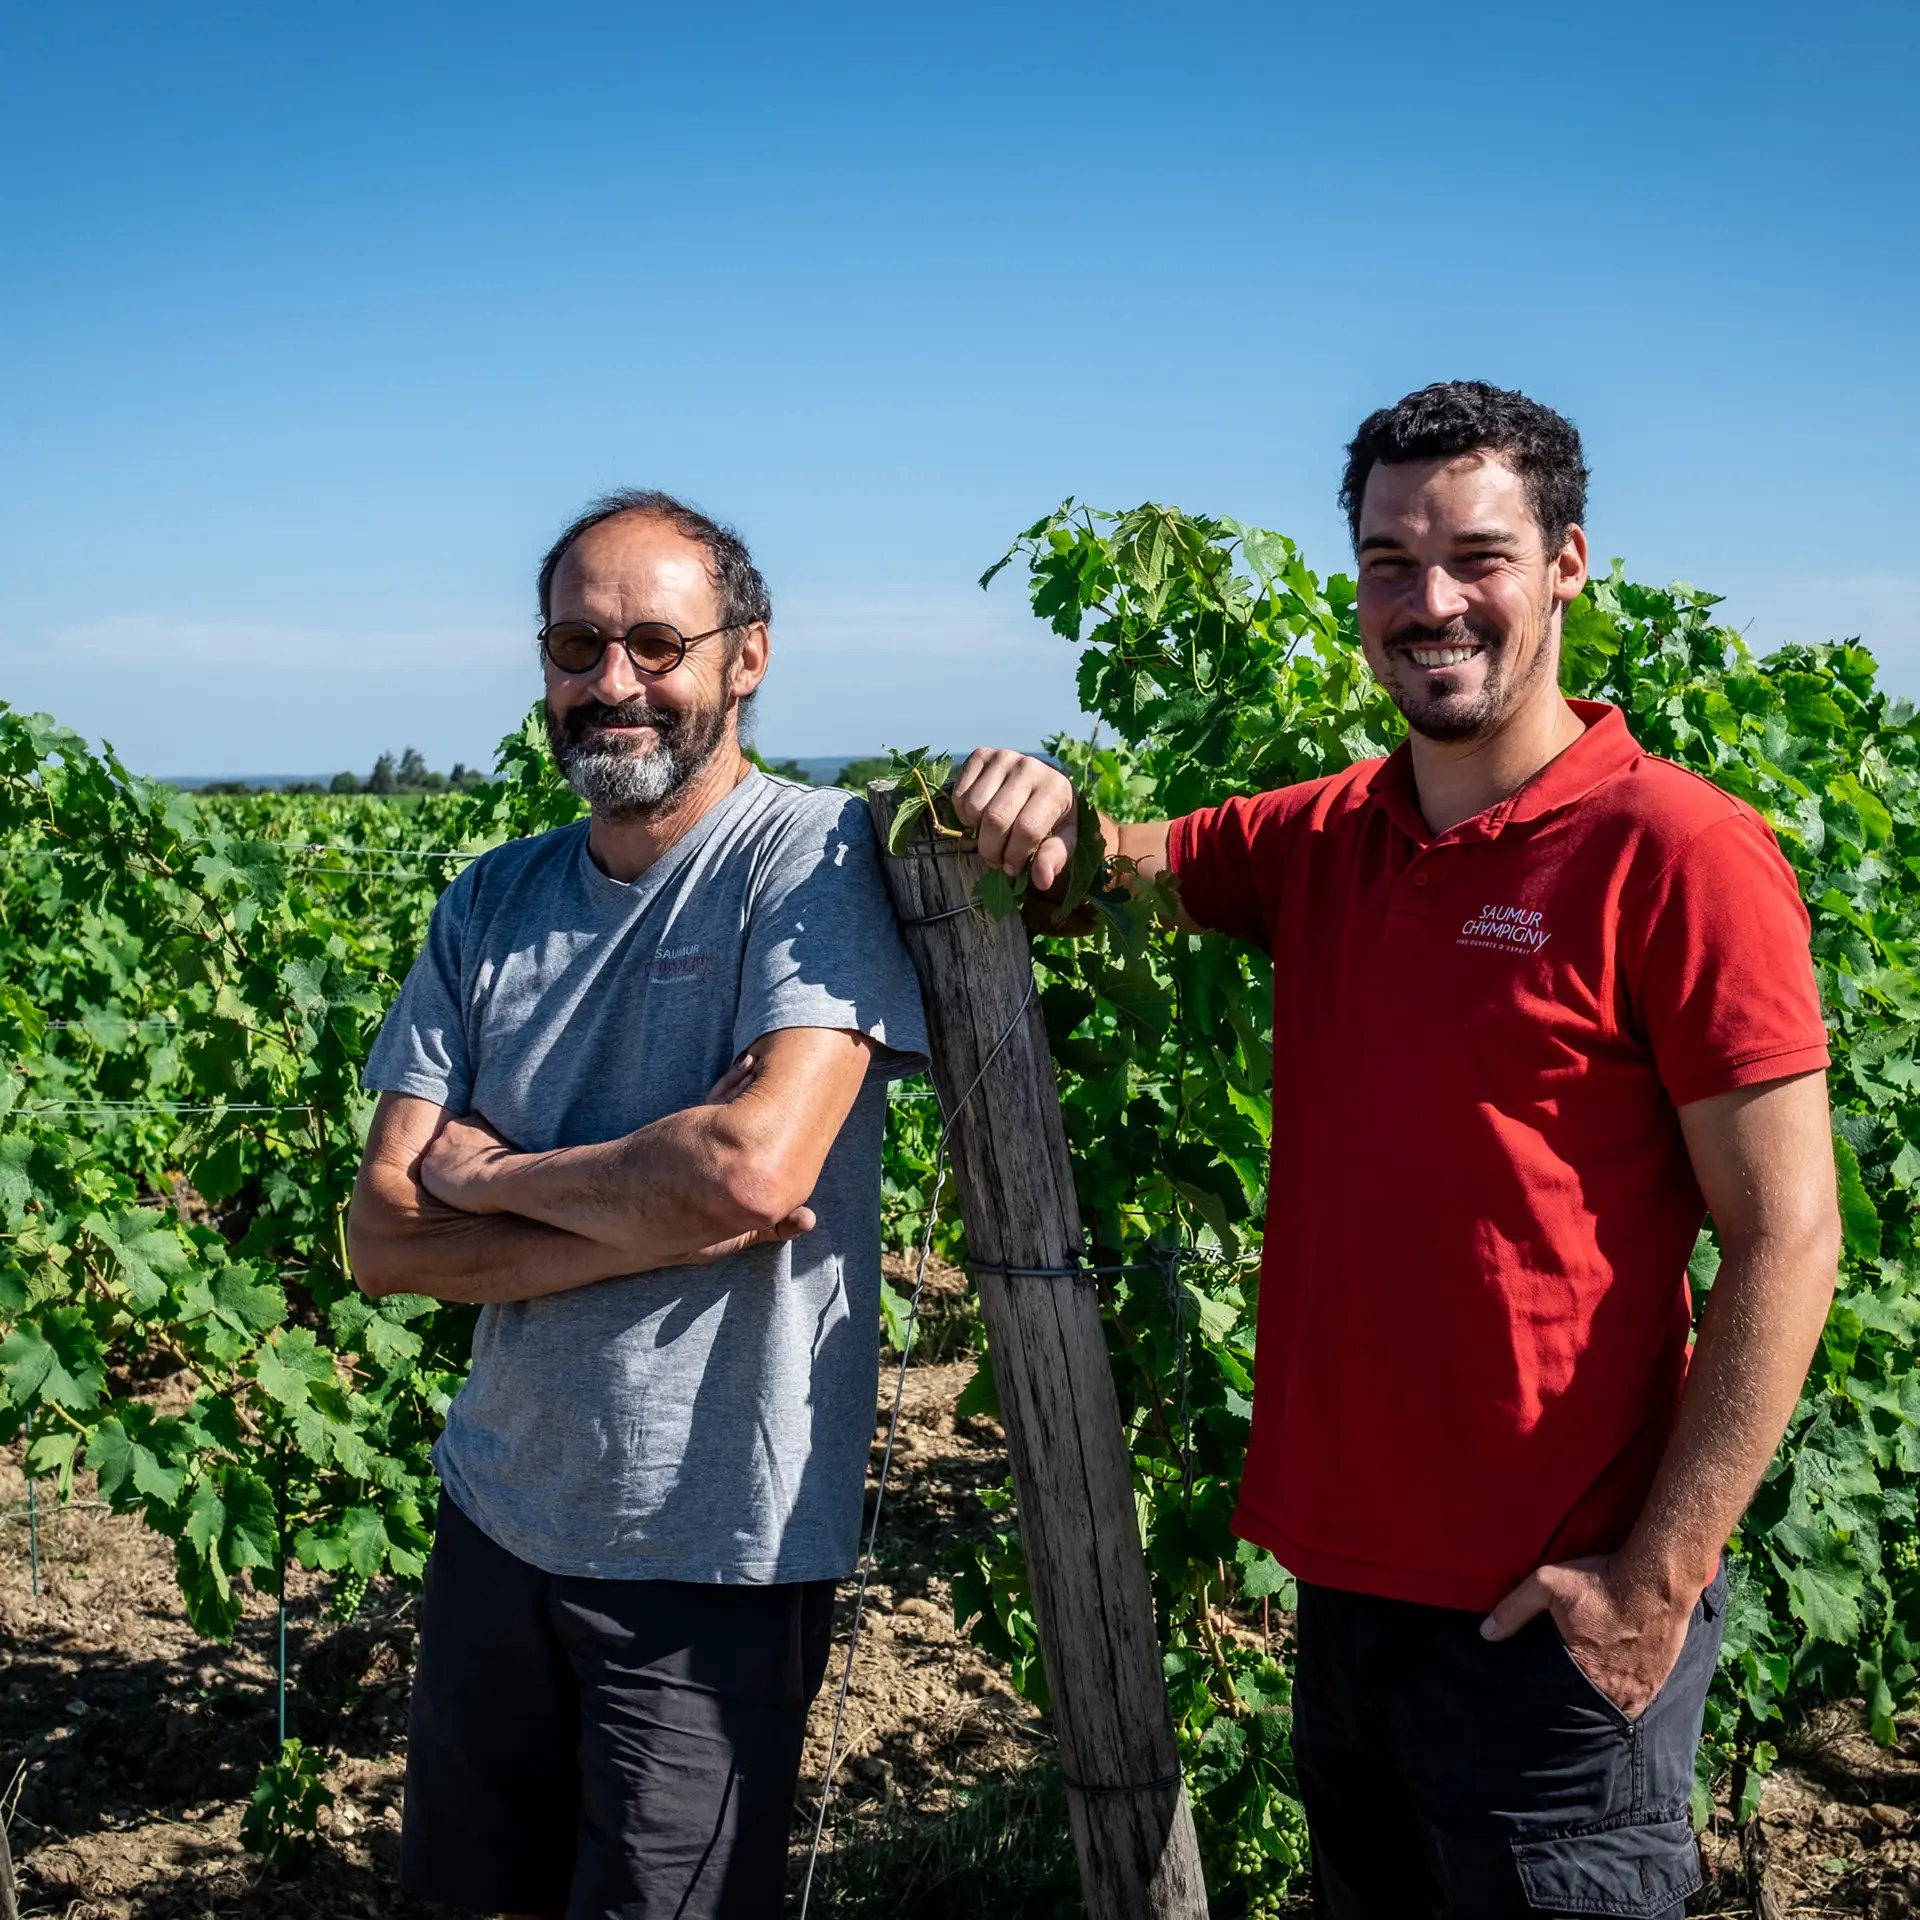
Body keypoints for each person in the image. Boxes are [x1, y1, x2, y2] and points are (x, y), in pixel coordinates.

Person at [952, 382, 1840, 1919]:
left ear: (1567, 562)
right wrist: (1034, 806)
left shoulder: (1679, 854)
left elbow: (1790, 1237)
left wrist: (1656, 1578)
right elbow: (1106, 875)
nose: (1431, 602)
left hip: (1552, 1623)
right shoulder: (1328, 838)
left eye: (1477, 556)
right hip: (1350, 1601)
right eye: (1389, 562)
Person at [346, 489, 928, 1920]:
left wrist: (489, 1175)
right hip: (496, 1513)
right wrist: (654, 1202)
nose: (613, 682)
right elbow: (382, 1238)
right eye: (576, 645)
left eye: (658, 644)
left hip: (710, 1551)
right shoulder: (490, 900)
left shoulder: (811, 857)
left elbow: (747, 1173)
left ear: (748, 656)